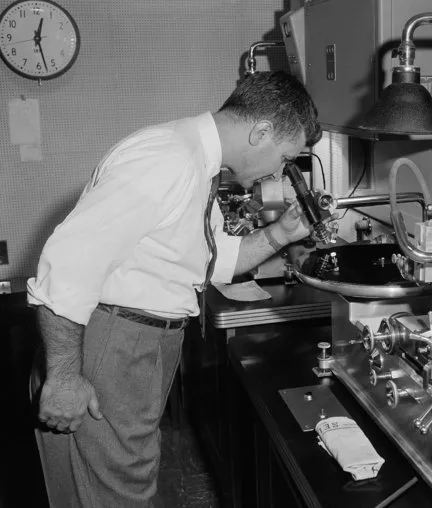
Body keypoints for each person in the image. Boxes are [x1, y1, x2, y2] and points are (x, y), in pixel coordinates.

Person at [27, 70, 322, 507]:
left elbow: (213, 261)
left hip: (138, 345)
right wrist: (65, 377)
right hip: (112, 343)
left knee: (123, 481)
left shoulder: (198, 166)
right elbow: (66, 267)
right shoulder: (167, 158)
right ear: (261, 131)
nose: (280, 171)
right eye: (285, 157)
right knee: (117, 491)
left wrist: (282, 232)